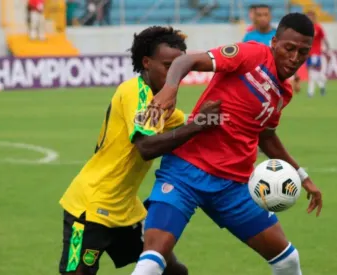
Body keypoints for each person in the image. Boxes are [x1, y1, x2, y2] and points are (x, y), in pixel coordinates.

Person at [130, 13, 323, 275]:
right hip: (185, 172)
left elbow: (266, 136)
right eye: (289, 48)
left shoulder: (283, 93)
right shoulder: (251, 54)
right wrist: (170, 88)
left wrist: (303, 177)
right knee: (152, 262)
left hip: (233, 186)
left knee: (288, 261)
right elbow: (186, 60)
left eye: (303, 51)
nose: (295, 57)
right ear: (274, 42)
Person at [58, 26, 221, 275]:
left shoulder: (162, 104)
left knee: (172, 270)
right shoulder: (135, 92)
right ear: (146, 62)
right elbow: (146, 147)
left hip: (127, 211)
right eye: (168, 66)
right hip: (89, 208)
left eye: (180, 68)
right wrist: (198, 125)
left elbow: (187, 128)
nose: (174, 76)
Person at [306, 11, 330, 97]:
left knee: (312, 73)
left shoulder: (318, 27)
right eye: (308, 17)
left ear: (314, 18)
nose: (309, 19)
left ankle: (310, 92)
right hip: (307, 54)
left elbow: (324, 39)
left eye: (311, 17)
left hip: (316, 53)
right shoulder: (305, 28)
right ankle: (322, 83)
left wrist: (328, 49)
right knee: (312, 73)